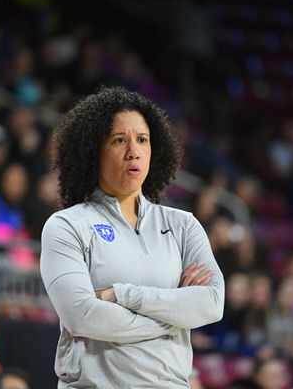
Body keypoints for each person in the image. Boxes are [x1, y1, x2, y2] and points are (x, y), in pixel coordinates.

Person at [40, 87, 225, 388]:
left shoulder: (183, 225)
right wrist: (175, 318)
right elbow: (83, 317)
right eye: (119, 140)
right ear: (93, 151)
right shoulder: (66, 225)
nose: (133, 151)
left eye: (142, 140)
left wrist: (120, 295)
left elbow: (212, 304)